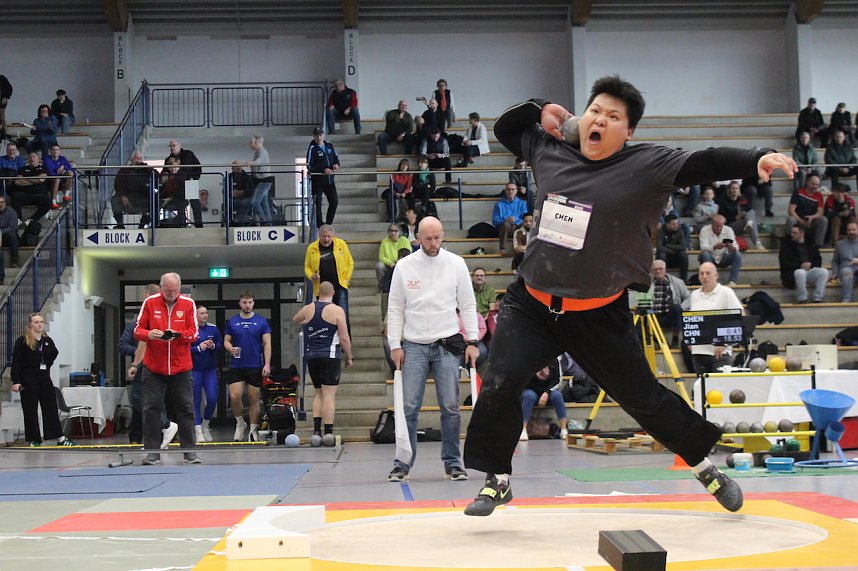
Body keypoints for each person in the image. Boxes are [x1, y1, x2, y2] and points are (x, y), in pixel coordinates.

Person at [462, 76, 797, 517]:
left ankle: (703, 466)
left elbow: (704, 161)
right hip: (533, 304)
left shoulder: (648, 164)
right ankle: (498, 480)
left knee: (643, 398)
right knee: (500, 380)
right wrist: (540, 108)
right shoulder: (550, 148)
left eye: (613, 117)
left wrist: (756, 157)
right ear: (583, 118)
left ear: (629, 131)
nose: (601, 120)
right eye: (595, 111)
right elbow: (507, 129)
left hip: (598, 313)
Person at [386, 216, 479, 482]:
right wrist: (395, 344)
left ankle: (453, 462)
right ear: (417, 238)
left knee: (450, 407)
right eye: (428, 238)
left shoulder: (456, 264)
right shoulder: (404, 267)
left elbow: (468, 305)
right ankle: (402, 462)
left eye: (438, 237)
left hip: (447, 344)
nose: (434, 243)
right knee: (409, 407)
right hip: (413, 344)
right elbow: (395, 308)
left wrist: (472, 341)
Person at [133, 272, 200, 465]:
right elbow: (138, 330)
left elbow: (194, 333)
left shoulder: (188, 304)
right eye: (168, 290)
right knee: (151, 408)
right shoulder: (150, 302)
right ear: (161, 288)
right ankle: (152, 452)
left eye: (175, 290)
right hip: (154, 366)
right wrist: (150, 334)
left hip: (181, 366)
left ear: (180, 288)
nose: (171, 294)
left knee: (186, 408)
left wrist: (178, 335)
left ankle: (189, 451)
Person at [293, 281, 353, 438]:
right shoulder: (337, 310)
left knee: (318, 393)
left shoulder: (308, 308)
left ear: (318, 293)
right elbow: (344, 337)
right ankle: (328, 432)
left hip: (312, 356)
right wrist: (348, 356)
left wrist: (306, 321)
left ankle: (316, 431)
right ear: (333, 293)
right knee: (329, 395)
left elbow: (295, 319)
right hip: (330, 355)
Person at [119, 284, 176, 448]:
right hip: (143, 367)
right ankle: (160, 430)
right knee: (140, 400)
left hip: (157, 366)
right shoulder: (136, 325)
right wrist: (137, 353)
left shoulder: (161, 320)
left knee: (155, 401)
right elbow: (124, 344)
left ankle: (164, 428)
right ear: (147, 296)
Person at [11, 313, 76, 447]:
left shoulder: (47, 341)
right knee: (30, 409)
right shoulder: (23, 341)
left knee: (51, 407)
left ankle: (59, 437)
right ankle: (34, 439)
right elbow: (16, 361)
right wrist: (16, 381)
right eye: (36, 322)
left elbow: (53, 354)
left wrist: (46, 366)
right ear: (30, 324)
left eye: (41, 322)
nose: (39, 324)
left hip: (44, 378)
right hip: (28, 378)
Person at [223, 291, 272, 442]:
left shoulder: (261, 321)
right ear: (240, 303)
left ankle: (253, 429)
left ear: (253, 303)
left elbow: (267, 343)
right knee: (235, 396)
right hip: (237, 365)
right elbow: (226, 341)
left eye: (250, 302)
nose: (247, 305)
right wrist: (230, 348)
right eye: (244, 302)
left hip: (255, 365)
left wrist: (267, 364)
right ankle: (240, 423)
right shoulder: (232, 321)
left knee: (253, 398)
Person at [688, 262, 744, 375]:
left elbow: (739, 317)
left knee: (720, 388)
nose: (704, 276)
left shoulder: (726, 292)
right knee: (702, 388)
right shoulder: (694, 295)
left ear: (716, 275)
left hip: (720, 353)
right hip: (699, 351)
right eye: (701, 273)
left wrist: (724, 342)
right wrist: (690, 338)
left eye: (708, 273)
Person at [304, 225, 354, 329]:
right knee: (325, 316)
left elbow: (350, 263)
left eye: (328, 236)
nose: (326, 239)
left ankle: (345, 342)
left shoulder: (341, 244)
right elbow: (307, 266)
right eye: (324, 236)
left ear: (333, 236)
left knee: (343, 315)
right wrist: (311, 276)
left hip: (339, 285)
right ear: (319, 236)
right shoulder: (312, 248)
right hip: (322, 289)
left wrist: (346, 278)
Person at [191, 305, 222, 442]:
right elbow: (184, 348)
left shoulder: (212, 329)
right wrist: (199, 347)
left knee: (212, 399)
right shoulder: (191, 329)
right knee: (195, 401)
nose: (205, 315)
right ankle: (197, 431)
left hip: (209, 370)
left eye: (206, 313)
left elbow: (220, 344)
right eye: (201, 313)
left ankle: (205, 425)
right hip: (194, 369)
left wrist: (213, 346)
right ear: (195, 315)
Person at [779, 224, 828, 304]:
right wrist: (799, 265)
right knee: (800, 272)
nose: (792, 235)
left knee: (824, 272)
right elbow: (784, 262)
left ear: (801, 233)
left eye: (794, 233)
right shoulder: (786, 245)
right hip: (793, 273)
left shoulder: (811, 243)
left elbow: (818, 259)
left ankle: (818, 298)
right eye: (791, 232)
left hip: (809, 270)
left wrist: (811, 265)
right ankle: (802, 298)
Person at [647, 259, 691, 347]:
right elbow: (642, 302)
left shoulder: (677, 282)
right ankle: (661, 341)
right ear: (652, 271)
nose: (658, 271)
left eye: (660, 269)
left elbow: (689, 298)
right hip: (654, 317)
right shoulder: (647, 284)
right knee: (643, 316)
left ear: (665, 269)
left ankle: (675, 340)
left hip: (670, 316)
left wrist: (682, 307)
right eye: (655, 269)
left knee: (676, 308)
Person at [519, 365, 567, 441]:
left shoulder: (555, 359)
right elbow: (521, 380)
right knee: (528, 396)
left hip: (548, 391)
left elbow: (557, 380)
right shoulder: (528, 360)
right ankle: (523, 429)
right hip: (531, 390)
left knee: (557, 395)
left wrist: (547, 393)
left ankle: (563, 430)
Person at [164, 140, 203, 227]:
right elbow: (165, 172)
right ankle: (182, 225)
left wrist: (195, 178)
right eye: (170, 146)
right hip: (177, 184)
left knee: (195, 205)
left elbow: (198, 166)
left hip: (190, 182)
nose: (172, 148)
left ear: (179, 145)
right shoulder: (168, 160)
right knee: (180, 205)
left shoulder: (188, 154)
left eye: (174, 145)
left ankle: (199, 226)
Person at [307, 127, 340, 228]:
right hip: (318, 181)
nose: (319, 137)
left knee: (334, 201)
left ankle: (328, 224)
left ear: (323, 135)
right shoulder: (312, 148)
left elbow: (335, 158)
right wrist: (323, 170)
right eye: (317, 135)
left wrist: (336, 164)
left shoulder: (329, 146)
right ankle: (319, 225)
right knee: (318, 203)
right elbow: (309, 165)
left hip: (330, 180)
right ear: (314, 136)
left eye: (320, 135)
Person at [111, 150, 154, 228]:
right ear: (131, 160)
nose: (138, 160)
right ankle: (120, 225)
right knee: (114, 200)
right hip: (128, 197)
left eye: (140, 158)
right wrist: (123, 196)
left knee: (154, 201)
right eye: (136, 158)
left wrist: (146, 167)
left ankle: (142, 225)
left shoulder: (146, 169)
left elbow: (156, 176)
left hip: (143, 197)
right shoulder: (124, 170)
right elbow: (118, 185)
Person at [718, 180, 765, 250]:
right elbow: (722, 218)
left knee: (751, 212)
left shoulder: (743, 199)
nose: (735, 190)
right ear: (729, 189)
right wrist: (735, 217)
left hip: (743, 223)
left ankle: (757, 241)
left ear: (739, 190)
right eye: (733, 188)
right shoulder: (724, 202)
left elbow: (750, 211)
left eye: (736, 188)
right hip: (730, 226)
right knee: (751, 221)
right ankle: (756, 240)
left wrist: (745, 214)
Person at [698, 215, 743, 286]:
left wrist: (732, 248)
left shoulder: (728, 230)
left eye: (720, 227)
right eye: (716, 226)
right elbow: (703, 247)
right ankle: (711, 281)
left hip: (724, 257)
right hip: (710, 258)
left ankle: (732, 281)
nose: (719, 229)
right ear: (712, 224)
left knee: (738, 255)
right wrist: (714, 247)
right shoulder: (704, 230)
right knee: (705, 254)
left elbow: (736, 246)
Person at [787, 173, 828, 247]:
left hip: (811, 223)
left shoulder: (819, 195)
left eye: (816, 185)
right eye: (813, 184)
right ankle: (791, 244)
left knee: (823, 219)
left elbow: (820, 212)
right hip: (798, 222)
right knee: (790, 219)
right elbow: (791, 210)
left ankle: (818, 244)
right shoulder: (798, 192)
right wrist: (802, 221)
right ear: (807, 182)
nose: (814, 186)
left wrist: (812, 217)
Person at [12, 152, 52, 226]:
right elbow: (17, 182)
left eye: (34, 157)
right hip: (26, 195)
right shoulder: (23, 169)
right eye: (30, 157)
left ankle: (32, 219)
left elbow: (40, 179)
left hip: (40, 196)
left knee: (48, 202)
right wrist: (35, 180)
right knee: (15, 195)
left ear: (38, 159)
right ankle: (18, 219)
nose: (32, 159)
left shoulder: (43, 169)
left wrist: (25, 178)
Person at [492, 182, 528, 255]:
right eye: (508, 189)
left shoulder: (522, 203)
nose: (510, 191)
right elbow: (495, 221)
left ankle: (523, 248)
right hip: (504, 228)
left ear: (516, 191)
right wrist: (506, 220)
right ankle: (502, 249)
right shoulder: (499, 204)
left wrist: (516, 222)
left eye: (513, 189)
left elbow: (525, 218)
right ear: (505, 191)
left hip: (517, 227)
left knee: (526, 224)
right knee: (506, 224)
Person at [376, 224, 411, 291]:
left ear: (400, 232)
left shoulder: (405, 241)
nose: (393, 233)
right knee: (379, 266)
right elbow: (381, 256)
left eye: (395, 231)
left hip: (401, 264)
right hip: (389, 264)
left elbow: (407, 254)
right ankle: (382, 287)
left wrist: (399, 262)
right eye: (391, 231)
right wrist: (390, 263)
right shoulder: (384, 241)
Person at [654, 213, 688, 282]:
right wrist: (674, 251)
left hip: (676, 259)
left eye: (676, 224)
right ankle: (662, 279)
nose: (676, 226)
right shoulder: (661, 231)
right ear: (667, 224)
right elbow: (659, 247)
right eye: (673, 224)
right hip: (665, 259)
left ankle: (684, 281)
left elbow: (683, 246)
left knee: (684, 255)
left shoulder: (679, 231)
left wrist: (667, 245)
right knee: (661, 254)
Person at [247, 134, 273, 225]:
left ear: (256, 143)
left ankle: (265, 221)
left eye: (251, 143)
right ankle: (269, 223)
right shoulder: (258, 151)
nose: (250, 145)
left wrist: (252, 163)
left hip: (264, 181)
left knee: (255, 202)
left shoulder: (262, 151)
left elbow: (260, 160)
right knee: (263, 203)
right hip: (262, 181)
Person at [832, 221, 858, 303]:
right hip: (846, 269)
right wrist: (834, 273)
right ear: (846, 231)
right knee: (847, 272)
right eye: (849, 230)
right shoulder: (839, 244)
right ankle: (846, 299)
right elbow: (835, 261)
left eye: (854, 230)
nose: (851, 232)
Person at [0, 195, 20, 277]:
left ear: (5, 203)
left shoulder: (11, 212)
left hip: (6, 235)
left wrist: (1, 232)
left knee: (12, 235)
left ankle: (14, 261)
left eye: (2, 202)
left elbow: (12, 227)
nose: (0, 204)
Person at [228, 161, 253, 225]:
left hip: (246, 197)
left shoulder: (248, 177)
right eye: (236, 166)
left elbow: (252, 190)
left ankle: (242, 223)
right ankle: (230, 223)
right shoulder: (228, 177)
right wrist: (232, 192)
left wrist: (243, 192)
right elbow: (224, 190)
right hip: (233, 198)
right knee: (229, 203)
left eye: (240, 166)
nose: (238, 168)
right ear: (232, 168)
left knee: (244, 202)